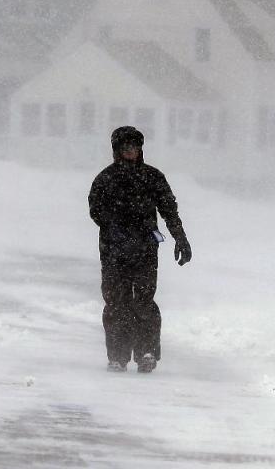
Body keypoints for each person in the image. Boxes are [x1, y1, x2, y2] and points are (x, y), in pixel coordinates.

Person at [88, 125, 192, 373]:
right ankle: (118, 356)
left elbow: (169, 210)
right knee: (116, 302)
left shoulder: (153, 177)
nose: (131, 152)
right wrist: (115, 229)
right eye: (126, 148)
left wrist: (181, 238)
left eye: (135, 147)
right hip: (114, 252)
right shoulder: (105, 179)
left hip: (145, 250)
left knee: (144, 301)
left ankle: (146, 352)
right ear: (117, 150)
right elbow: (95, 210)